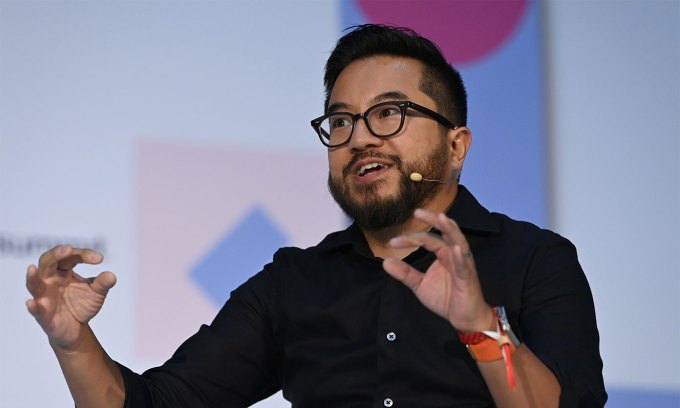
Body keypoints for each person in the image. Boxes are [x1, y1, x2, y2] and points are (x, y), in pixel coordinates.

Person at [26, 24, 606, 407]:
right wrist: (74, 342)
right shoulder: (292, 284)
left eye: (390, 114)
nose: (360, 139)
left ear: (457, 145)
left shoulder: (535, 260)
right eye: (342, 121)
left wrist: (480, 323)